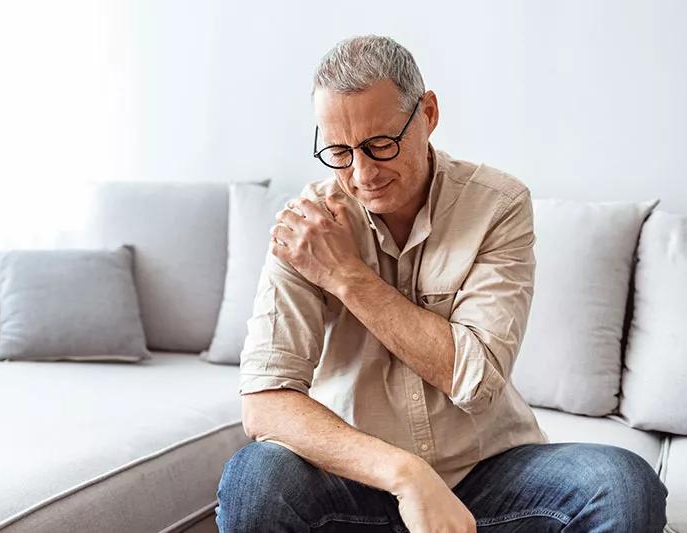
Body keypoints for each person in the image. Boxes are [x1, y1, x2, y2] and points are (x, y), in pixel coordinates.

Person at [215, 34, 668, 532]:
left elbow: (476, 380)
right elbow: (265, 404)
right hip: (355, 476)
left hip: (486, 472)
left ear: (428, 113)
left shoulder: (498, 205)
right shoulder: (307, 228)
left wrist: (346, 276)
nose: (362, 173)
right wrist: (405, 474)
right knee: (254, 478)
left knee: (623, 482)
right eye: (340, 152)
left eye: (380, 145)